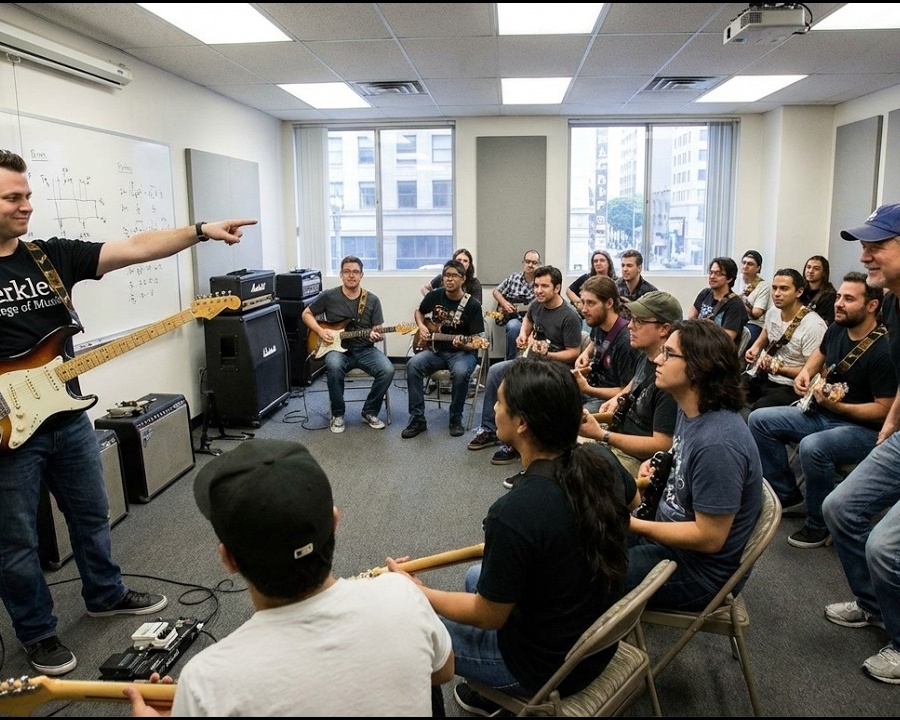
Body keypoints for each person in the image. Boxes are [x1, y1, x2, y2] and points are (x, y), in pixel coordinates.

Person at [0, 148, 256, 676]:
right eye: (13, 197)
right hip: (7, 428)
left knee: (92, 513)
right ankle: (38, 633)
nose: (27, 206)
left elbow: (135, 247)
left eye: (28, 195)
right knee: (16, 539)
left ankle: (105, 592)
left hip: (65, 415)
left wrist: (201, 230)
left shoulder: (48, 257)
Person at [124, 439, 454, 716]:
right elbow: (442, 672)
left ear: (228, 559)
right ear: (335, 521)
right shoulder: (403, 595)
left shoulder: (206, 680)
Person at [387, 358, 630, 716]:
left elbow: (489, 617)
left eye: (499, 402)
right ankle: (488, 695)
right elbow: (635, 502)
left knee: (407, 625)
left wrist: (415, 591)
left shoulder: (514, 511)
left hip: (546, 668)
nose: (494, 408)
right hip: (593, 644)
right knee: (474, 577)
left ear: (521, 423)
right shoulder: (601, 459)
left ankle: (497, 687)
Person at [748, 271, 894, 547]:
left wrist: (840, 407)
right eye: (839, 296)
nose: (838, 303)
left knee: (814, 447)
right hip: (825, 413)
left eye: (849, 299)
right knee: (759, 420)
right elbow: (822, 352)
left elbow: (884, 412)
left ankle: (819, 524)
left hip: (862, 429)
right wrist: (807, 372)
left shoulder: (884, 350)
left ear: (872, 305)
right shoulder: (838, 328)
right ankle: (789, 495)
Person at [626, 319, 764, 611]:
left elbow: (709, 537)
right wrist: (660, 463)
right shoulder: (689, 409)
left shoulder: (719, 443)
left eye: (669, 354)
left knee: (591, 574)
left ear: (699, 368)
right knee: (585, 536)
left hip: (698, 573)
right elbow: (685, 457)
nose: (658, 361)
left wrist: (634, 524)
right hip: (668, 538)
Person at [822, 203, 900, 684]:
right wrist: (891, 423)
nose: (867, 255)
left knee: (886, 549)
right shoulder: (891, 298)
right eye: (864, 246)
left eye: (878, 245)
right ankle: (874, 606)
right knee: (840, 508)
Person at [467, 264, 583, 466]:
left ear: (557, 288)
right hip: (531, 360)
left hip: (554, 368)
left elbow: (574, 352)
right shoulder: (536, 305)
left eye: (544, 286)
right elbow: (528, 320)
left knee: (522, 386)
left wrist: (549, 355)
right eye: (536, 285)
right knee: (495, 371)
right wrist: (523, 335)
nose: (538, 290)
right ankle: (488, 429)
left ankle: (517, 442)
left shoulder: (569, 316)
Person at [579, 290, 681, 485]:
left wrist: (604, 435)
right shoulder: (646, 354)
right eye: (632, 319)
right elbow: (636, 382)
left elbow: (662, 444)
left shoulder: (669, 379)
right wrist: (617, 398)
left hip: (637, 461)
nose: (630, 326)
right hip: (619, 439)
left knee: (576, 472)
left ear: (664, 329)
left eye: (640, 321)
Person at [302, 255, 394, 433]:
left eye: (355, 272)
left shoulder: (372, 300)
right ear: (341, 275)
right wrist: (321, 331)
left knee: (388, 370)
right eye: (347, 272)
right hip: (337, 351)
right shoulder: (329, 296)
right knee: (334, 366)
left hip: (365, 349)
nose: (351, 275)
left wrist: (376, 335)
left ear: (361, 275)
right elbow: (306, 314)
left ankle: (370, 411)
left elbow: (377, 328)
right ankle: (337, 414)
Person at [403, 258, 485, 439]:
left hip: (463, 354)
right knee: (413, 365)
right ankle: (417, 419)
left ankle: (455, 418)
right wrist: (422, 327)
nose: (449, 279)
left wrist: (464, 343)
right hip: (437, 351)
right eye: (446, 275)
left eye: (454, 276)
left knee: (461, 372)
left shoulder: (472, 305)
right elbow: (419, 311)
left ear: (463, 279)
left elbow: (478, 341)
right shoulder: (435, 296)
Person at [741, 267, 827, 417]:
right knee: (727, 390)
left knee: (759, 410)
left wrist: (777, 368)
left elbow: (814, 371)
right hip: (765, 376)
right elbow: (767, 332)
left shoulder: (813, 326)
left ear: (799, 292)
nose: (777, 294)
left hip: (790, 386)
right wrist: (755, 347)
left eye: (784, 289)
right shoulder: (773, 311)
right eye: (774, 288)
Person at [572, 275, 640, 409]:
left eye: (591, 303)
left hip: (610, 399)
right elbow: (594, 341)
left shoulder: (626, 341)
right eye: (582, 302)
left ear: (609, 303)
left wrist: (587, 389)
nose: (584, 309)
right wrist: (585, 354)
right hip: (595, 384)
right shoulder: (598, 321)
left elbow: (626, 390)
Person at [491, 249, 541, 360]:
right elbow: (496, 291)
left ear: (539, 265)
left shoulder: (541, 282)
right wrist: (505, 304)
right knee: (513, 327)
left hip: (534, 321)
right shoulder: (514, 278)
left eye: (534, 263)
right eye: (528, 261)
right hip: (515, 319)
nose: (530, 265)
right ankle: (511, 362)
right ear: (523, 262)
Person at [688, 256, 748, 344]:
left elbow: (727, 339)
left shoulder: (735, 305)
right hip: (699, 343)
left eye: (718, 274)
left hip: (716, 351)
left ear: (729, 278)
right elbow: (691, 318)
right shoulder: (705, 293)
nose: (712, 276)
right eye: (711, 272)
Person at [738, 250, 770, 346]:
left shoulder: (763, 286)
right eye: (744, 263)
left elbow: (756, 314)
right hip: (733, 317)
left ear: (758, 268)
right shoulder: (734, 279)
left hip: (753, 322)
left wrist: (743, 301)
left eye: (750, 264)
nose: (745, 266)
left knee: (746, 337)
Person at [801, 254, 837, 325]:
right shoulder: (800, 291)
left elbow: (828, 321)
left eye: (816, 268)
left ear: (824, 272)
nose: (810, 271)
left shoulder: (830, 296)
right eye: (808, 267)